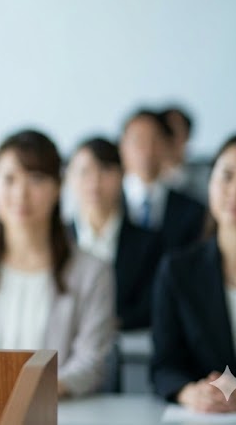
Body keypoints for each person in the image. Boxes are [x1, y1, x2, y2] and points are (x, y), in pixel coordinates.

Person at [0, 130, 115, 397]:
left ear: (58, 187)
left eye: (36, 178)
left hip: (59, 413)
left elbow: (91, 363)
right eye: (9, 179)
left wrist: (33, 393)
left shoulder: (92, 272)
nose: (21, 193)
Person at [151, 130, 236, 413]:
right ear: (210, 182)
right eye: (226, 176)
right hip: (202, 417)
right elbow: (164, 366)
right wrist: (190, 392)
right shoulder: (177, 270)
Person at [66, 137, 162, 331]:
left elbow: (153, 306)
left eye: (105, 170)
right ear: (69, 178)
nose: (95, 181)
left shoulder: (151, 243)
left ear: (122, 175)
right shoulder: (55, 240)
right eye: (84, 172)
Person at [120, 109, 205, 251]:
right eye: (138, 141)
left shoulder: (192, 210)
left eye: (154, 140)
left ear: (167, 146)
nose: (147, 150)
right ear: (122, 146)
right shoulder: (106, 200)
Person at [160, 106, 209, 203]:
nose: (170, 139)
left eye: (174, 131)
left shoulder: (206, 177)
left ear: (187, 135)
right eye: (166, 131)